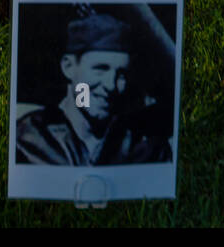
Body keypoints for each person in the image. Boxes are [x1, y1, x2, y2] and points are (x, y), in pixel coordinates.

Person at [16, 11, 173, 166]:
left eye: (121, 74)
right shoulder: (29, 138)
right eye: (100, 68)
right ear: (69, 67)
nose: (111, 85)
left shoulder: (146, 149)